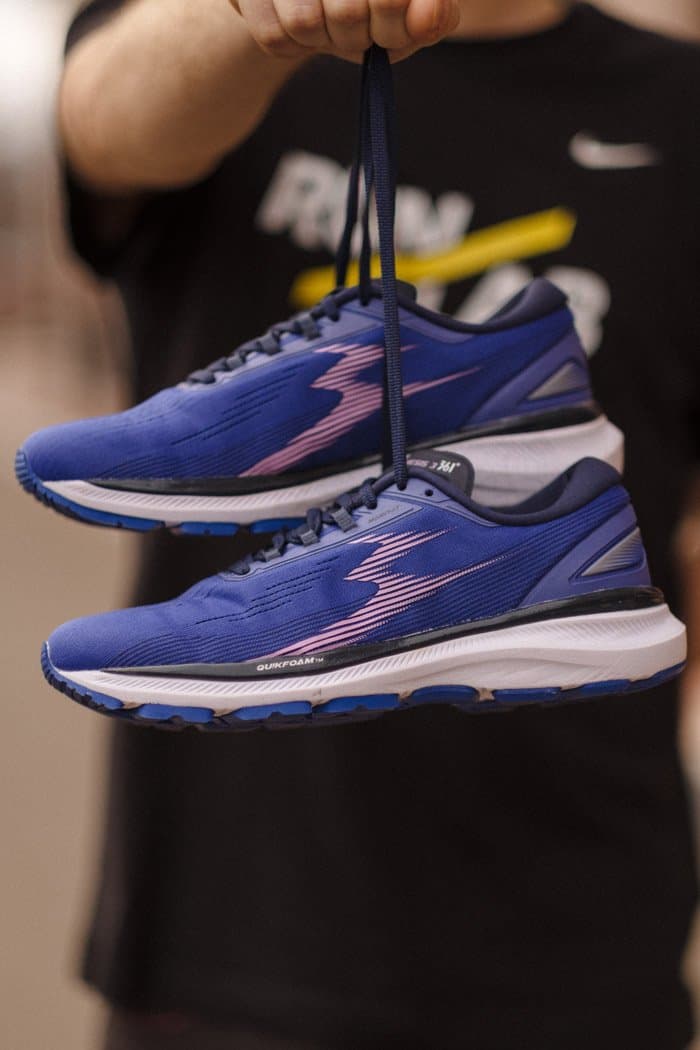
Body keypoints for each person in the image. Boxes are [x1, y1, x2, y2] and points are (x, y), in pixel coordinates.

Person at [60, 1, 699, 1047]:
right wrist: (249, 16)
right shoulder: (211, 40)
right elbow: (99, 122)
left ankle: (458, 549)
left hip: (577, 933)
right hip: (229, 925)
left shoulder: (678, 108)